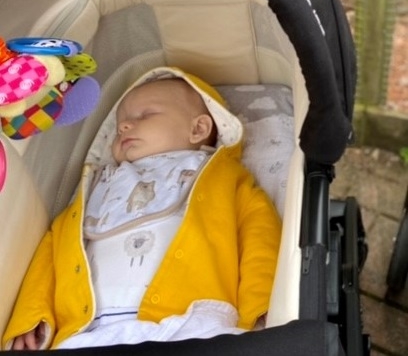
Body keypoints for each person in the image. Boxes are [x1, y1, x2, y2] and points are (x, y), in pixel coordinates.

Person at [3, 67, 282, 350]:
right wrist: (32, 316)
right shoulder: (98, 185)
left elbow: (260, 238)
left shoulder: (223, 178)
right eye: (121, 122)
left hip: (191, 320)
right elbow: (52, 251)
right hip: (91, 332)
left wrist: (264, 302)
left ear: (198, 129)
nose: (123, 126)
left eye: (144, 116)